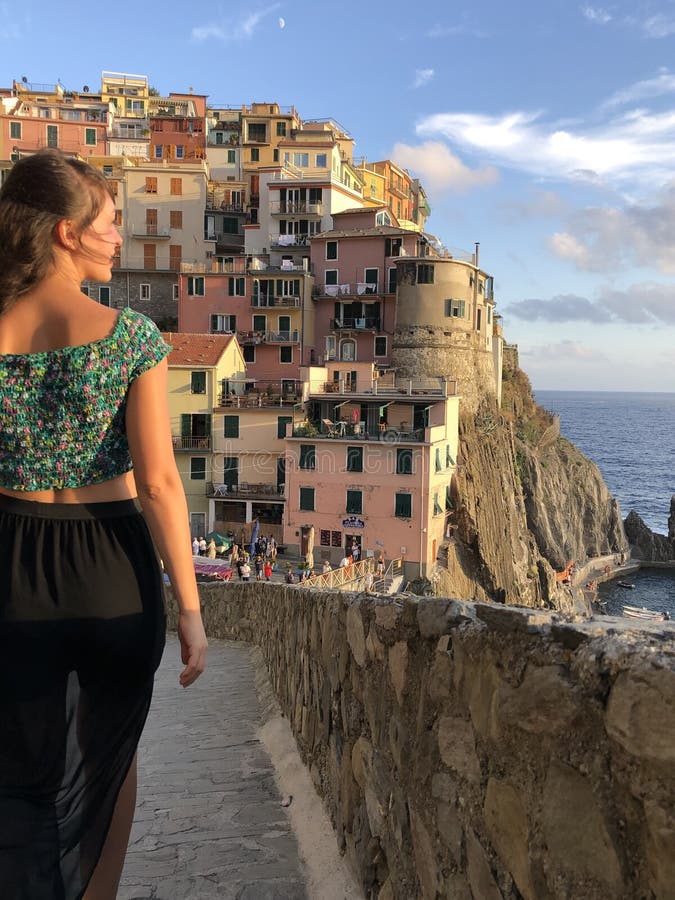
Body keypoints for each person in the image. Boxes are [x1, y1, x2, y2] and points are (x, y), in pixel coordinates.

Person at [0, 150, 208, 899]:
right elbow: (157, 484)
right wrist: (190, 608)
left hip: (12, 568)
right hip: (113, 568)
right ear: (66, 232)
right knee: (110, 759)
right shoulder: (130, 339)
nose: (120, 238)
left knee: (20, 775)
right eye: (111, 224)